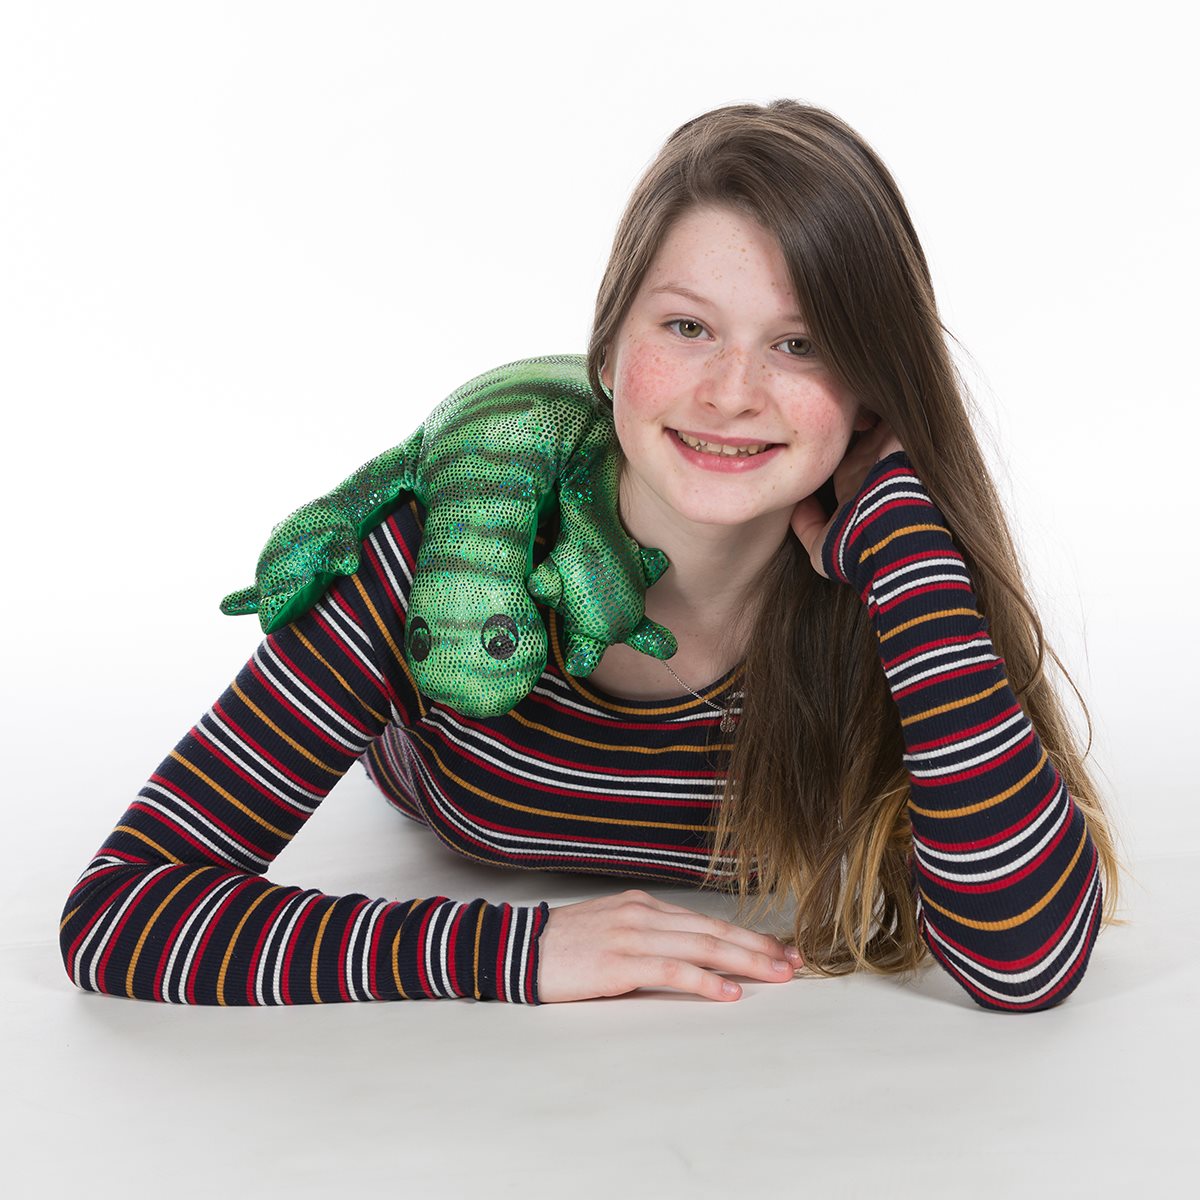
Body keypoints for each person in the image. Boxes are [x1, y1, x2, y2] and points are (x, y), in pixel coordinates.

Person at [58, 99, 1123, 1012]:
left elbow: (1025, 964)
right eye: (688, 328)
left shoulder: (897, 583)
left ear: (872, 393)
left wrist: (912, 564)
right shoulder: (438, 547)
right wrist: (518, 949)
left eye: (798, 345)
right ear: (609, 350)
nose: (733, 391)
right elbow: (119, 911)